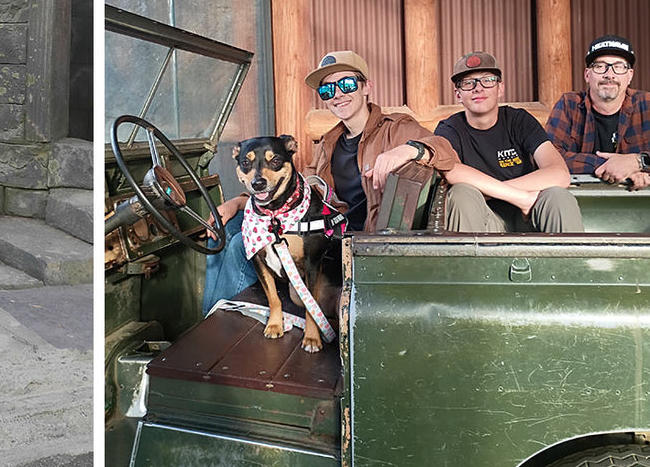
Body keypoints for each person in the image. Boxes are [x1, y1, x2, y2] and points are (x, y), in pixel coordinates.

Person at [203, 50, 458, 315]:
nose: (337, 94)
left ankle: (224, 321)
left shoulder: (395, 129)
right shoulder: (329, 142)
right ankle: (209, 319)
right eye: (327, 90)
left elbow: (445, 150)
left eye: (346, 84)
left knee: (241, 243)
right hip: (325, 230)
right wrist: (239, 202)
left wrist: (407, 150)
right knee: (227, 227)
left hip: (356, 242)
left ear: (366, 87)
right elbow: (299, 189)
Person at [436, 51, 583, 233]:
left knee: (558, 195)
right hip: (482, 219)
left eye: (487, 80)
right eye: (468, 83)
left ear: (500, 89)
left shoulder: (519, 121)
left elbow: (559, 174)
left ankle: (567, 261)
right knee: (461, 194)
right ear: (458, 95)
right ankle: (468, 262)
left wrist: (504, 193)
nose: (478, 88)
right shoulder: (450, 129)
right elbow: (451, 171)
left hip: (529, 215)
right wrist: (519, 196)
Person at [546, 35, 650, 189]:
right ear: (587, 75)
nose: (609, 74)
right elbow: (549, 158)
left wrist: (637, 161)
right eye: (600, 66)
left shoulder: (646, 104)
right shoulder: (570, 104)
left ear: (630, 76)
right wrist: (613, 166)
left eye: (619, 66)